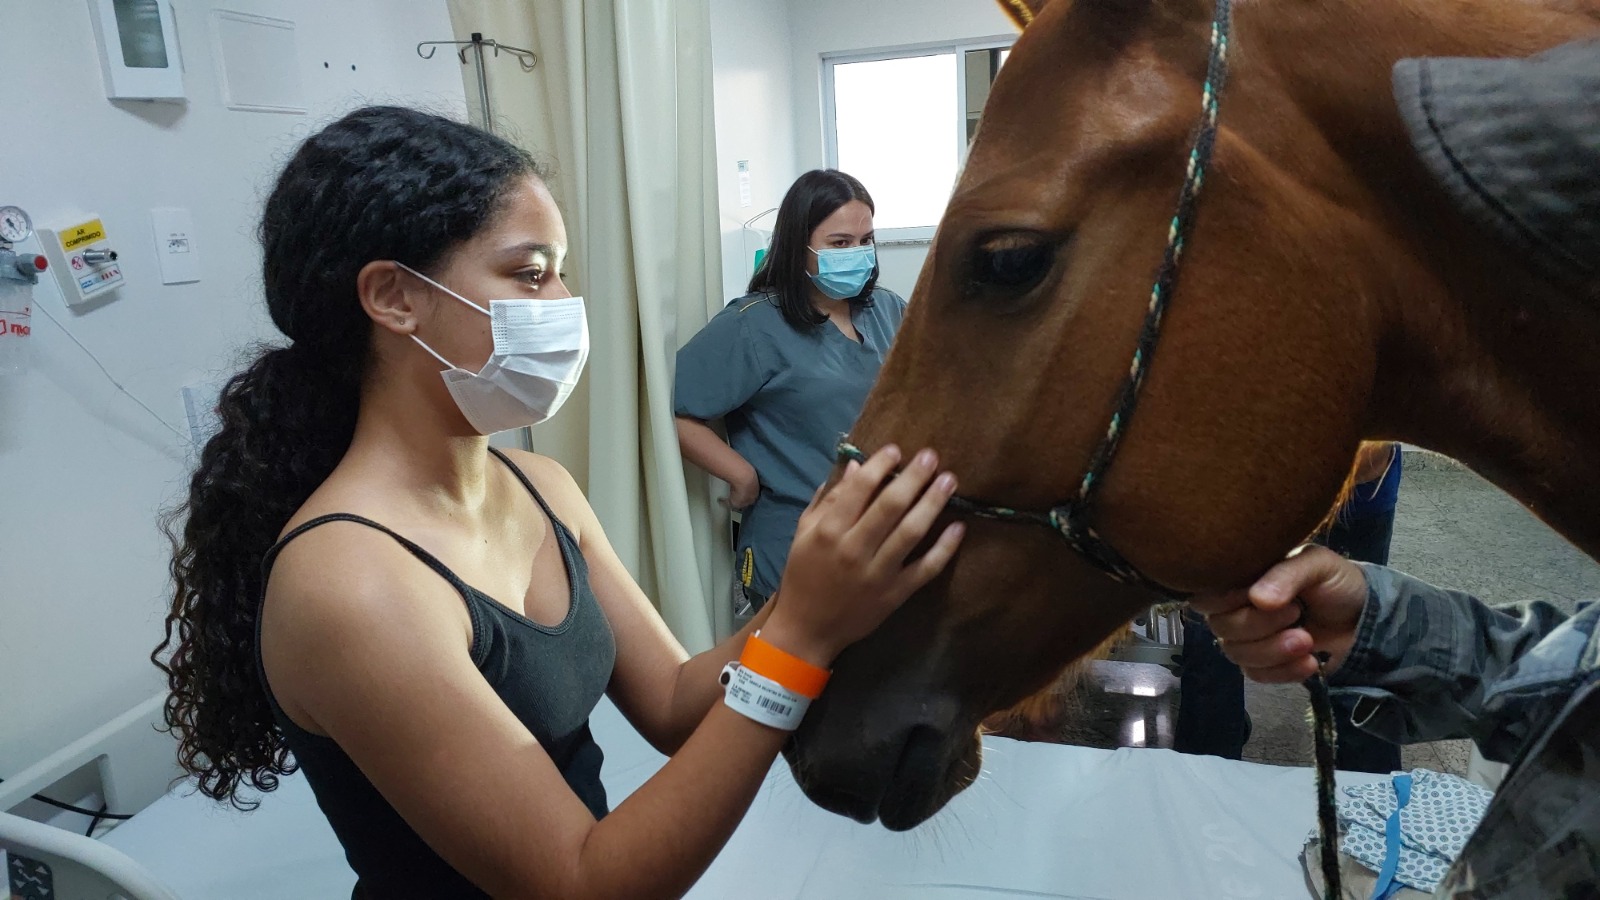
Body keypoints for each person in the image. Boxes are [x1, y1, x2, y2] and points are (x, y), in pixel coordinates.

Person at [153, 106, 965, 899]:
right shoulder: (351, 583)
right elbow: (580, 880)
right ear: (394, 298)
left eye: (562, 271)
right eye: (529, 273)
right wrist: (798, 636)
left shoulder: (542, 490)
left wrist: (820, 589)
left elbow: (679, 705)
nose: (566, 305)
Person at [675, 170, 907, 625]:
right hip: (795, 547)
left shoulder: (887, 309)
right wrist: (740, 474)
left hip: (882, 539)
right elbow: (677, 411)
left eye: (866, 240)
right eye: (840, 243)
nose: (858, 254)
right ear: (799, 243)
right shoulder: (753, 325)